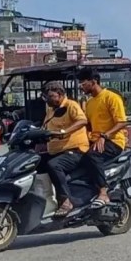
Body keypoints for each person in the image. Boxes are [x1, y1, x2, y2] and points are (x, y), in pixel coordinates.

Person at [78, 68, 129, 208]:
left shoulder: (111, 97)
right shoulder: (89, 103)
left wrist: (104, 136)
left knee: (92, 156)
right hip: (96, 140)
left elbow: (122, 122)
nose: (81, 87)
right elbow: (87, 125)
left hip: (113, 141)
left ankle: (103, 192)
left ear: (94, 82)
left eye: (83, 83)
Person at [38, 81, 89, 217]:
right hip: (56, 150)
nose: (47, 100)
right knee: (36, 163)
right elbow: (46, 127)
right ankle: (46, 200)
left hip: (75, 150)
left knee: (54, 165)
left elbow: (83, 121)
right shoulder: (51, 110)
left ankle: (66, 201)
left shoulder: (71, 105)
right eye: (46, 97)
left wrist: (65, 131)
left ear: (59, 95)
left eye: (50, 97)